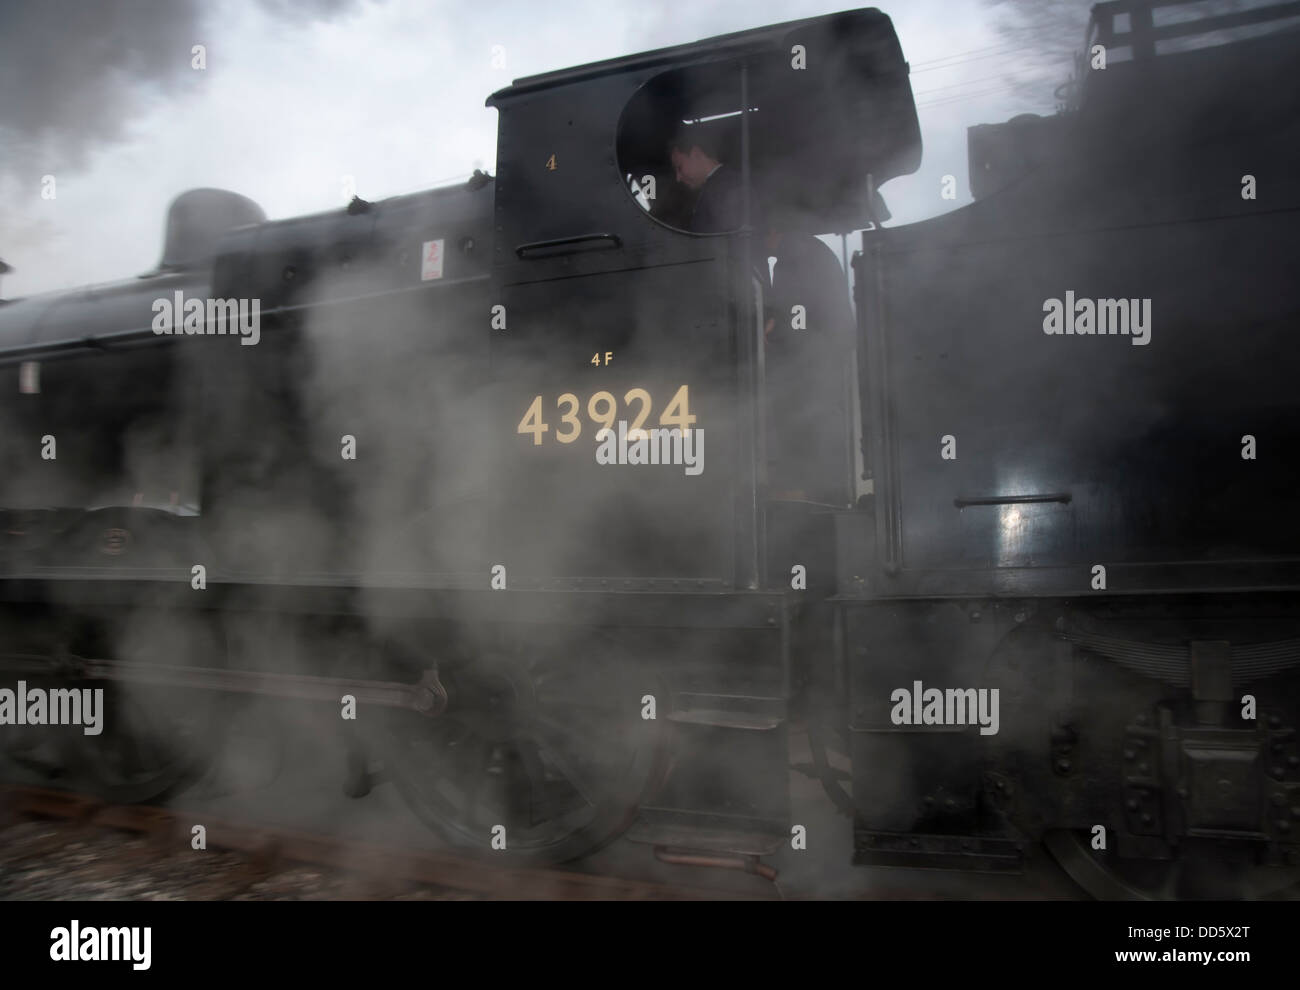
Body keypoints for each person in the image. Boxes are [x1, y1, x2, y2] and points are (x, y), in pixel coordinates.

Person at [762, 222, 855, 504]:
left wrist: (771, 332)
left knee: (804, 417)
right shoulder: (810, 249)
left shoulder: (793, 254)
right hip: (824, 352)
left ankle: (807, 491)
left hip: (810, 357)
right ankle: (821, 490)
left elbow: (796, 313)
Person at [667, 128, 744, 233]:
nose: (678, 178)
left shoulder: (726, 186)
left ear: (696, 153)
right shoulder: (721, 184)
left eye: (679, 167)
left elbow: (729, 241)